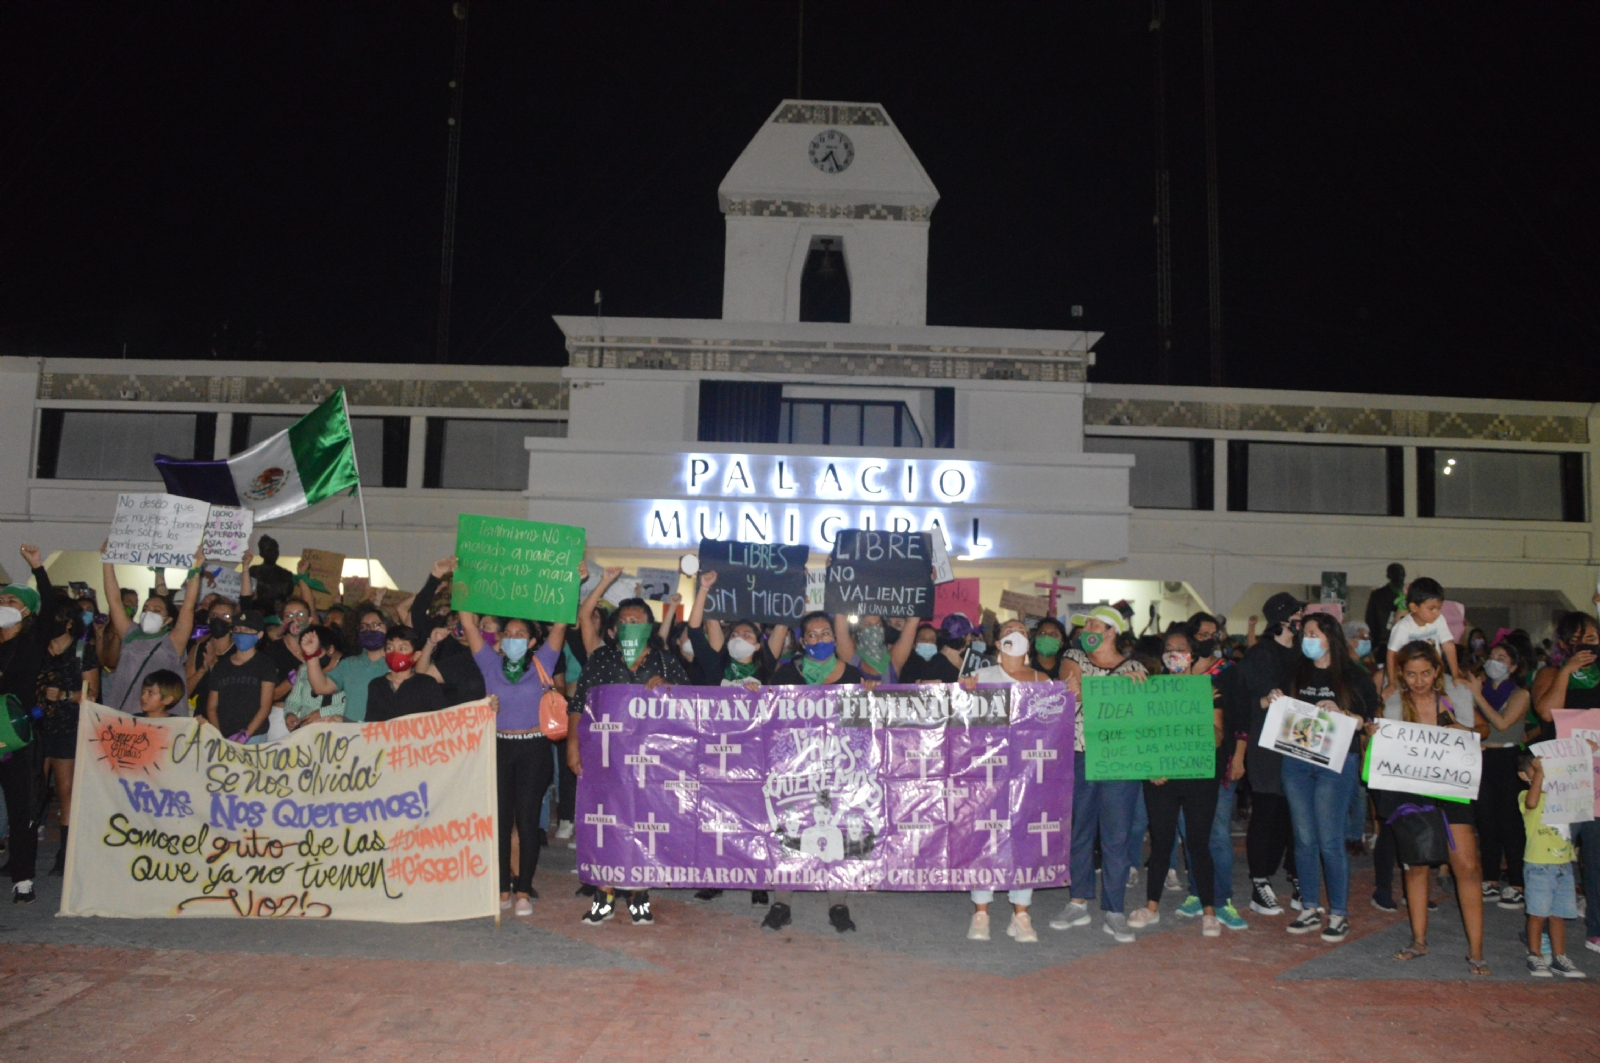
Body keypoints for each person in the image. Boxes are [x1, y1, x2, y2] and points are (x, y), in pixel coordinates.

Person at [569, 596, 690, 926]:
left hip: (651, 762)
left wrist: (669, 689)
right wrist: (573, 743)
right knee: (604, 824)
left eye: (638, 621)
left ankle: (639, 896)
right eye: (625, 621)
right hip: (606, 759)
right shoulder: (601, 658)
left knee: (645, 824)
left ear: (649, 627)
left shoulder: (664, 661)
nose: (631, 626)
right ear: (614, 628)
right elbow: (579, 703)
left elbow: (692, 702)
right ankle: (603, 895)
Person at [456, 575, 568, 918]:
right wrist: (466, 578)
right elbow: (467, 621)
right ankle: (502, 888)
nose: (514, 639)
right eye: (508, 634)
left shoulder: (543, 663)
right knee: (501, 822)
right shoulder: (490, 664)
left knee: (528, 819)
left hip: (533, 750)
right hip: (499, 749)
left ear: (533, 641)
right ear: (500, 640)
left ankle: (523, 892)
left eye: (521, 635)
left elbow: (561, 622)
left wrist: (570, 582)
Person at [1381, 640, 1488, 975]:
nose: (1419, 680)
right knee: (1416, 864)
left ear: (1437, 670)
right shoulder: (1394, 702)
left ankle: (1476, 951)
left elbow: (1483, 729)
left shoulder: (1456, 696)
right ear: (1400, 673)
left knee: (1467, 865)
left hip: (1453, 786)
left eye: (1425, 672)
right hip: (1412, 790)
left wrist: (1466, 730)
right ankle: (1418, 940)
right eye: (1411, 674)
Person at [763, 610, 869, 933]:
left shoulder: (853, 676)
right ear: (802, 640)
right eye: (812, 634)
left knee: (836, 833)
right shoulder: (786, 675)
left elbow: (865, 725)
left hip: (838, 770)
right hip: (795, 772)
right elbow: (768, 716)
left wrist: (872, 693)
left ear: (835, 639)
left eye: (826, 634)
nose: (820, 639)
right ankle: (781, 904)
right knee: (790, 833)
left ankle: (838, 905)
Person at [1275, 615, 1379, 943]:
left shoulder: (1354, 676)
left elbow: (1368, 721)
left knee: (1330, 839)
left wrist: (1343, 712)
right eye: (1304, 633)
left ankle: (1338, 913)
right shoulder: (1296, 670)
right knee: (1304, 837)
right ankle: (1308, 906)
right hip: (1296, 760)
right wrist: (1276, 698)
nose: (1305, 639)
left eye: (1311, 633)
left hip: (1335, 762)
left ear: (1328, 637)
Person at [1050, 604, 1145, 944]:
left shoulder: (1134, 667)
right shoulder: (1075, 655)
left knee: (1116, 837)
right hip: (1080, 755)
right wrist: (1078, 691)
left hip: (1120, 761)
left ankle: (1115, 909)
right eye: (1085, 623)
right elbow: (1068, 691)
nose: (1087, 628)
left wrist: (1137, 690)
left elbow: (1140, 716)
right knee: (1079, 831)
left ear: (1111, 631)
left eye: (1094, 623)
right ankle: (1077, 901)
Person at [1126, 624, 1227, 938]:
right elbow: (1140, 734)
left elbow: (1217, 738)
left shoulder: (1207, 690)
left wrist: (1200, 708)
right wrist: (1149, 767)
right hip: (1161, 779)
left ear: (1192, 653)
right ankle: (1152, 907)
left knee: (1199, 844)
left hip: (1198, 778)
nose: (1175, 654)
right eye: (1169, 649)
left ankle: (1209, 910)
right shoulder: (1150, 688)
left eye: (1181, 648)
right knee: (1161, 843)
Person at [961, 619, 1050, 944]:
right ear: (998, 644)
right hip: (989, 773)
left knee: (1023, 838)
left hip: (1029, 772)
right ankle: (981, 912)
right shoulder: (981, 678)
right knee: (985, 837)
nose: (1017, 635)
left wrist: (1071, 694)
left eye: (1023, 632)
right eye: (1009, 632)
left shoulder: (1043, 680)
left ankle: (1021, 914)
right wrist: (965, 692)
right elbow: (962, 723)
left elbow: (1053, 723)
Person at [1172, 617, 1252, 932]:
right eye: (1200, 634)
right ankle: (1197, 891)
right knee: (1189, 832)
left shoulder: (1229, 672)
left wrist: (1239, 759)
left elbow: (1242, 718)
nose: (1207, 638)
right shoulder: (1175, 673)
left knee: (1216, 834)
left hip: (1220, 763)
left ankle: (1222, 899)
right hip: (1181, 766)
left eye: (1212, 634)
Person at [1529, 610, 1600, 954]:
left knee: (1597, 857)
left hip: (1596, 781)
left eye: (1592, 639)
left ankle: (1596, 928)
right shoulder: (1550, 673)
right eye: (1578, 641)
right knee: (1552, 857)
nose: (1587, 647)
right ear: (1563, 644)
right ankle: (1540, 926)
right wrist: (1567, 673)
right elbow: (1545, 712)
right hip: (1560, 780)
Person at [1240, 591, 1306, 916]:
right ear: (1283, 619)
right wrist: (1267, 701)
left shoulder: (1304, 654)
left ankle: (1295, 876)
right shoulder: (1260, 655)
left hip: (1299, 743)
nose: (1303, 619)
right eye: (1299, 614)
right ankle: (1259, 880)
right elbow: (1247, 703)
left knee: (1291, 814)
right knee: (1266, 811)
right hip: (1266, 745)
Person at [0, 545, 57, 902]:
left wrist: (38, 568)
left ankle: (23, 879)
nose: (2, 604)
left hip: (19, 740)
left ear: (25, 611)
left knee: (21, 808)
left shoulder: (33, 642)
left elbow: (50, 609)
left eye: (9, 600)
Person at [1466, 635, 1534, 910]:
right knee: (1486, 821)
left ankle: (1517, 883)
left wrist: (1477, 696)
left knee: (1510, 822)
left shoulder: (1520, 694)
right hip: (1482, 756)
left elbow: (1503, 723)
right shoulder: (1480, 689)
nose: (1494, 662)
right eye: (1492, 657)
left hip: (1507, 758)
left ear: (1515, 666)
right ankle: (1491, 878)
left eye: (1502, 659)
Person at [36, 597, 100, 875]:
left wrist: (65, 695)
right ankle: (21, 853)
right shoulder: (36, 650)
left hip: (68, 727)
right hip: (37, 727)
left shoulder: (82, 651)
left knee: (65, 790)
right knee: (32, 790)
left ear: (70, 622)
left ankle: (66, 854)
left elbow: (93, 694)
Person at [100, 545, 202, 716]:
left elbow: (188, 607)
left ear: (168, 619)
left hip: (158, 719)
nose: (149, 613)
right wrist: (107, 562)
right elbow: (114, 601)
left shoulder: (173, 640)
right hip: (123, 714)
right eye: (146, 609)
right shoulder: (131, 633)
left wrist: (196, 568)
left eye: (157, 611)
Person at [1518, 751, 1588, 978]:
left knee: (1558, 915)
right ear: (1523, 775)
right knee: (1538, 913)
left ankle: (1559, 957)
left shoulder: (1562, 796)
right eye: (1536, 768)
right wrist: (1539, 774)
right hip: (1539, 866)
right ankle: (1535, 955)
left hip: (1563, 865)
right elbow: (1532, 801)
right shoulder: (1525, 795)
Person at [1382, 577, 1463, 702]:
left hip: (1431, 673)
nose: (1437, 613)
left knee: (1452, 695)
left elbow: (1448, 645)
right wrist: (1392, 683)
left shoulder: (1439, 620)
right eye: (1432, 608)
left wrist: (1456, 675)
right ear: (1414, 607)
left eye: (1439, 608)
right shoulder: (1403, 627)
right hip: (1407, 676)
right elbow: (1391, 654)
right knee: (1395, 701)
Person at [306, 604, 391, 723]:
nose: (369, 630)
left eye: (375, 625)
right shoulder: (349, 664)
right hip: (352, 735)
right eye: (364, 627)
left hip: (383, 736)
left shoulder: (397, 665)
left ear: (389, 627)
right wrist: (311, 655)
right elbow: (321, 687)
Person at [204, 610, 277, 741]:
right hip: (223, 736)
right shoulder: (221, 666)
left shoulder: (266, 664)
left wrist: (245, 735)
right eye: (237, 629)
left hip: (254, 736)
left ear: (259, 634)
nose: (241, 633)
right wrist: (219, 736)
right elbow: (211, 707)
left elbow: (265, 706)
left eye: (247, 629)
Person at [364, 626, 447, 723]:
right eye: (390, 648)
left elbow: (442, 719)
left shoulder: (426, 684)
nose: (395, 653)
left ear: (416, 655)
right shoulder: (376, 685)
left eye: (402, 648)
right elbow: (371, 724)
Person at [283, 625, 345, 728]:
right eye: (307, 653)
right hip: (308, 731)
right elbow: (293, 699)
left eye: (316, 652)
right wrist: (290, 714)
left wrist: (322, 712)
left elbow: (354, 705)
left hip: (338, 731)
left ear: (330, 649)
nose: (312, 658)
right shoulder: (304, 669)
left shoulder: (349, 669)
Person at [1364, 562, 1407, 656]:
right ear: (1388, 576)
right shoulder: (1378, 595)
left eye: (1401, 575)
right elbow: (1370, 618)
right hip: (1382, 641)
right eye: (1396, 575)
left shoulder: (1409, 595)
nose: (1400, 578)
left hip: (1405, 640)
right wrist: (1375, 639)